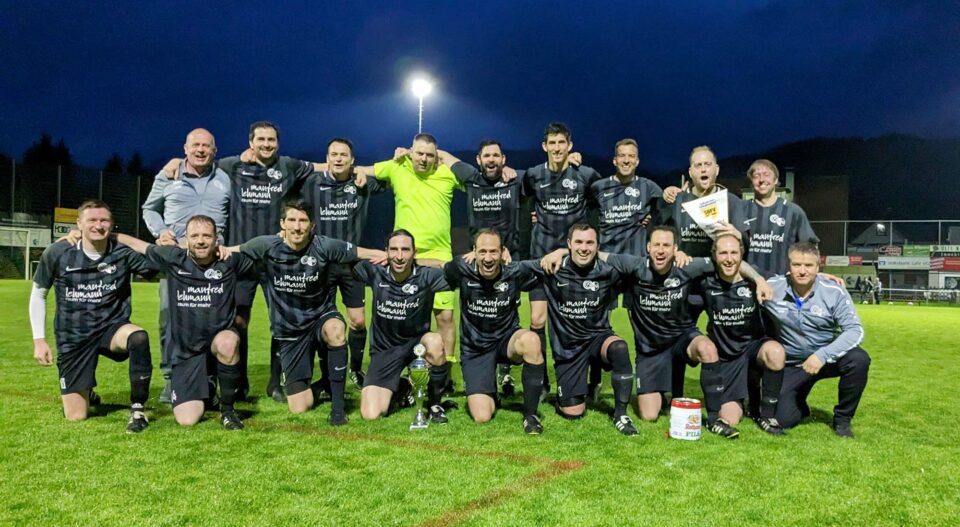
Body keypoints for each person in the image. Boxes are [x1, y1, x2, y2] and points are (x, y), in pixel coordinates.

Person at [543, 226, 769, 431]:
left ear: (675, 249)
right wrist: (561, 252)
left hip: (682, 339)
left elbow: (728, 261)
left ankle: (712, 420)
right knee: (649, 415)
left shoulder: (687, 266)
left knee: (707, 349)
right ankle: (664, 391)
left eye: (667, 246)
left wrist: (759, 280)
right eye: (657, 245)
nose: (661, 251)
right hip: (650, 350)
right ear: (648, 248)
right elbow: (594, 253)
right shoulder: (635, 266)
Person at [165, 121, 325, 402]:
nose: (266, 144)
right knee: (238, 320)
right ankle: (237, 382)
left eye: (271, 140)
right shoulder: (233, 165)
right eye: (261, 139)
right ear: (251, 143)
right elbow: (202, 161)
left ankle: (277, 382)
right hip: (241, 258)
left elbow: (321, 167)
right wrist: (176, 161)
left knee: (283, 320)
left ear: (278, 143)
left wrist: (354, 171)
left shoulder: (289, 166)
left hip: (278, 258)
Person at [229, 199, 386, 424]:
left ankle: (338, 408)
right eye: (292, 220)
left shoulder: (323, 246)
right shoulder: (266, 245)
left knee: (336, 330)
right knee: (299, 407)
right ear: (282, 223)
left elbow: (358, 252)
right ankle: (325, 383)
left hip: (320, 318)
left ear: (312, 225)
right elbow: (232, 250)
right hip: (291, 331)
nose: (297, 227)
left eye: (303, 221)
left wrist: (386, 255)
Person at [114, 216, 252, 429]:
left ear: (216, 239)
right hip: (187, 351)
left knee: (228, 342)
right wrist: (104, 234)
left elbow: (262, 254)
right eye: (194, 236)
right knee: (187, 420)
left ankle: (228, 410)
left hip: (217, 343)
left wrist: (281, 237)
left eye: (207, 236)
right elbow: (138, 245)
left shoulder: (230, 261)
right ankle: (207, 385)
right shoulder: (173, 257)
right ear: (186, 239)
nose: (201, 241)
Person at [30, 200, 155, 432]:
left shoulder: (121, 253)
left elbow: (159, 264)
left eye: (104, 220)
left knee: (138, 337)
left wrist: (126, 239)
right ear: (79, 224)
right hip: (74, 337)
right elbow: (39, 293)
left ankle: (138, 409)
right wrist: (39, 340)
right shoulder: (58, 252)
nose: (98, 225)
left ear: (112, 224)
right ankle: (86, 390)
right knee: (76, 416)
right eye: (92, 220)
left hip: (112, 329)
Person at [354, 134, 459, 387]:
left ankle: (445, 376)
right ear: (411, 152)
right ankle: (399, 366)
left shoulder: (447, 174)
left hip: (439, 258)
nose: (424, 159)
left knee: (445, 318)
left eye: (430, 155)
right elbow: (362, 169)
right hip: (403, 257)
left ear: (436, 156)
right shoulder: (397, 167)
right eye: (419, 153)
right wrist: (358, 173)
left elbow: (476, 177)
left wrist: (445, 156)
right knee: (400, 316)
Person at [142, 128, 230, 404]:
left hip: (215, 262)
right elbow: (149, 208)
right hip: (177, 259)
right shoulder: (168, 175)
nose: (200, 150)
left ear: (215, 151)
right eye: (196, 145)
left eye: (206, 146)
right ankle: (171, 378)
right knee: (169, 319)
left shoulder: (225, 177)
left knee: (215, 320)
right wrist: (161, 231)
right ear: (185, 149)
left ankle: (212, 377)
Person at [656, 146, 750, 398]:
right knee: (677, 336)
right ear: (690, 172)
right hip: (685, 282)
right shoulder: (679, 201)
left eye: (707, 164)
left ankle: (727, 396)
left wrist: (736, 233)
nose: (703, 169)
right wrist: (675, 250)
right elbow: (662, 234)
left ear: (716, 169)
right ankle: (674, 395)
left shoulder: (731, 202)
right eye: (698, 165)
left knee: (726, 337)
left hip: (719, 282)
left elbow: (745, 244)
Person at [530, 224, 639, 436]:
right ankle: (568, 393)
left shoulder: (607, 271)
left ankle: (621, 415)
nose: (584, 247)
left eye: (590, 243)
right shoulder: (553, 268)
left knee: (619, 347)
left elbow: (638, 265)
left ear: (597, 246)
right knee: (573, 413)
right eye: (578, 242)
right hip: (569, 349)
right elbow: (516, 268)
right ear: (569, 244)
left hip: (598, 339)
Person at [521, 122, 602, 399]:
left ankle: (593, 380)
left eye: (561, 143)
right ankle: (541, 381)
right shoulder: (533, 175)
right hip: (541, 258)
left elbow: (604, 203)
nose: (557, 148)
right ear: (544, 146)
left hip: (574, 261)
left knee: (582, 320)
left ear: (570, 145)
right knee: (537, 319)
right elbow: (519, 200)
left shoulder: (586, 175)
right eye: (552, 143)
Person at [438, 140, 524, 396]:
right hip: (478, 257)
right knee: (475, 308)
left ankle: (505, 372)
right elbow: (442, 155)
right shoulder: (470, 177)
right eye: (487, 155)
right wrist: (407, 152)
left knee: (507, 310)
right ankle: (475, 367)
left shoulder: (515, 179)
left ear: (503, 159)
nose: (491, 160)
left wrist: (571, 159)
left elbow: (548, 174)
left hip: (507, 258)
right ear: (478, 160)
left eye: (496, 155)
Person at [300, 138, 387, 389]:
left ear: (352, 160)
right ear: (327, 158)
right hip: (320, 263)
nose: (338, 159)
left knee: (358, 321)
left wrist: (365, 171)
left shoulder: (362, 183)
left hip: (352, 264)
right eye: (334, 154)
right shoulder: (312, 182)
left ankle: (356, 369)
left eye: (343, 155)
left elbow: (392, 175)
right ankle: (325, 374)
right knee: (320, 320)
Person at [762, 242, 871, 437]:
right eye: (797, 265)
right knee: (783, 420)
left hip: (826, 359)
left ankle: (843, 420)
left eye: (808, 266)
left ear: (818, 267)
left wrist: (822, 355)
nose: (802, 271)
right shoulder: (772, 287)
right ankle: (799, 401)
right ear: (789, 266)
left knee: (859, 360)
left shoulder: (834, 291)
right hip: (794, 364)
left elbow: (855, 331)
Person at [443, 229, 545, 434]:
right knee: (482, 416)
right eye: (482, 252)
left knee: (531, 341)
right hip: (476, 348)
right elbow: (443, 272)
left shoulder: (515, 271)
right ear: (473, 251)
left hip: (507, 340)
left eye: (493, 252)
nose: (488, 258)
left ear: (502, 252)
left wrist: (560, 252)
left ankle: (530, 415)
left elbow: (544, 268)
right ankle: (489, 391)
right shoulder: (460, 267)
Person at [353, 230, 453, 423]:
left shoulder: (427, 276)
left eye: (405, 250)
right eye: (394, 250)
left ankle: (435, 404)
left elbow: (459, 270)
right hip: (384, 351)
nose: (399, 256)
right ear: (386, 252)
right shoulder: (375, 271)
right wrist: (372, 254)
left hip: (417, 346)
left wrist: (433, 262)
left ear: (414, 252)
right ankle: (403, 387)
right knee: (371, 414)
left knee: (434, 341)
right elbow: (342, 258)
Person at [698, 234, 785, 437]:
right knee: (730, 419)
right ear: (714, 256)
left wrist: (820, 276)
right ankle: (744, 399)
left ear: (742, 255)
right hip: (727, 356)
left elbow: (790, 279)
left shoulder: (756, 279)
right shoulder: (705, 282)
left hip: (753, 349)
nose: (729, 259)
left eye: (734, 253)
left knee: (775, 352)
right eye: (723, 253)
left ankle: (767, 416)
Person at [742, 159, 819, 277]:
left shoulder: (793, 212)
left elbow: (810, 248)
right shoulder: (741, 210)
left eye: (766, 175)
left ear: (776, 180)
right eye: (756, 176)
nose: (761, 180)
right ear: (751, 181)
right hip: (747, 281)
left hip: (782, 282)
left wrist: (817, 274)